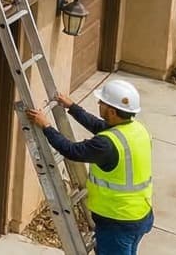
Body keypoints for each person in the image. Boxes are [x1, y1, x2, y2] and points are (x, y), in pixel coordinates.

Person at [25, 79, 154, 255]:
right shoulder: (137, 130)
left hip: (117, 220)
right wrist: (73, 108)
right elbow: (100, 126)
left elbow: (71, 150)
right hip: (140, 214)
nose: (99, 103)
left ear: (112, 111)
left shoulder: (106, 144)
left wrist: (46, 126)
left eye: (102, 102)